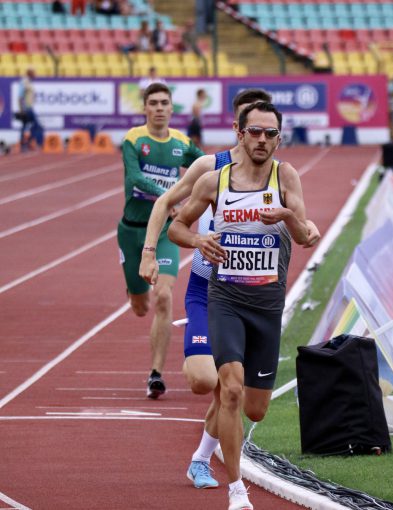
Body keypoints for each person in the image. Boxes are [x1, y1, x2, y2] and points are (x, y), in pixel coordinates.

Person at [139, 89, 320, 492]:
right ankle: (224, 477)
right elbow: (167, 205)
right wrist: (150, 252)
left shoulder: (281, 175)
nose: (258, 137)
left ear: (276, 136)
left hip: (259, 297)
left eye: (268, 131)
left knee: (238, 395)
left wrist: (298, 223)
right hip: (211, 291)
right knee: (210, 382)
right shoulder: (211, 168)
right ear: (238, 129)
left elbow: (303, 229)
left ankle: (202, 455)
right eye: (250, 128)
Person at [117, 82, 204, 399]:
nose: (158, 108)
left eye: (164, 103)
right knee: (141, 307)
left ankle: (155, 374)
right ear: (144, 108)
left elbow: (207, 166)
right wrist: (169, 195)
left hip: (165, 232)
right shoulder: (134, 140)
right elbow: (135, 178)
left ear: (171, 108)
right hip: (131, 231)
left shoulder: (182, 143)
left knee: (164, 296)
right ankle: (133, 290)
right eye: (152, 103)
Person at [17, 68, 43, 151]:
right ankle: (35, 143)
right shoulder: (24, 82)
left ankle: (26, 144)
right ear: (30, 73)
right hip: (27, 108)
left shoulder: (29, 82)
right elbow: (20, 96)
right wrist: (22, 109)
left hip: (29, 107)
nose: (35, 75)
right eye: (34, 73)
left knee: (26, 126)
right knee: (36, 125)